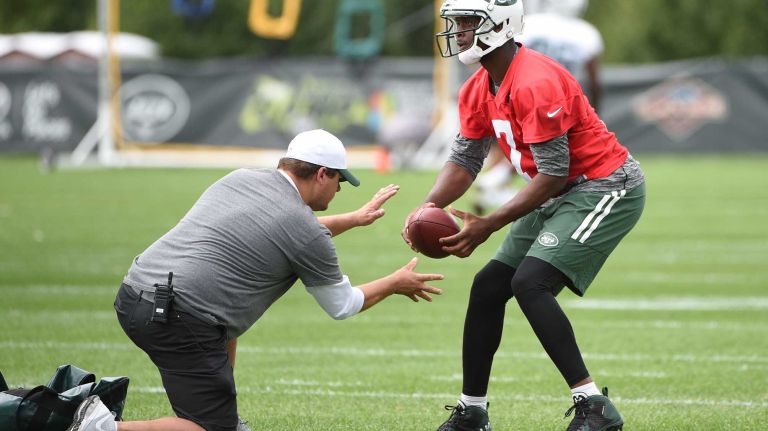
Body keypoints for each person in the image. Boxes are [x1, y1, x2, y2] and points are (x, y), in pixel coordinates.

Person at [67, 129, 445, 431]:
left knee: (228, 321)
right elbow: (342, 304)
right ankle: (100, 427)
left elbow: (278, 230)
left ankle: (220, 412)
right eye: (339, 180)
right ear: (320, 174)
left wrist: (352, 219)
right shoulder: (302, 229)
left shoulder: (242, 178)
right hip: (179, 317)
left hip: (135, 292)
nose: (340, 189)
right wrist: (395, 283)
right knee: (208, 429)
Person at [405, 1, 646, 430]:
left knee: (530, 282)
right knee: (487, 287)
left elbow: (553, 174)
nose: (458, 32)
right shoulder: (479, 86)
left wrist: (487, 224)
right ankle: (472, 413)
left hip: (604, 185)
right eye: (456, 24)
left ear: (499, 25)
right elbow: (464, 161)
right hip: (559, 190)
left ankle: (594, 407)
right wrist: (429, 206)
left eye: (467, 23)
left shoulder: (536, 80)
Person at [473, 0, 605, 216]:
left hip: (520, 94)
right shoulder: (585, 32)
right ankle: (498, 182)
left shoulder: (530, 23)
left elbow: (507, 55)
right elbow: (594, 80)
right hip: (563, 99)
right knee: (558, 159)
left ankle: (496, 180)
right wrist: (595, 111)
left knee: (528, 150)